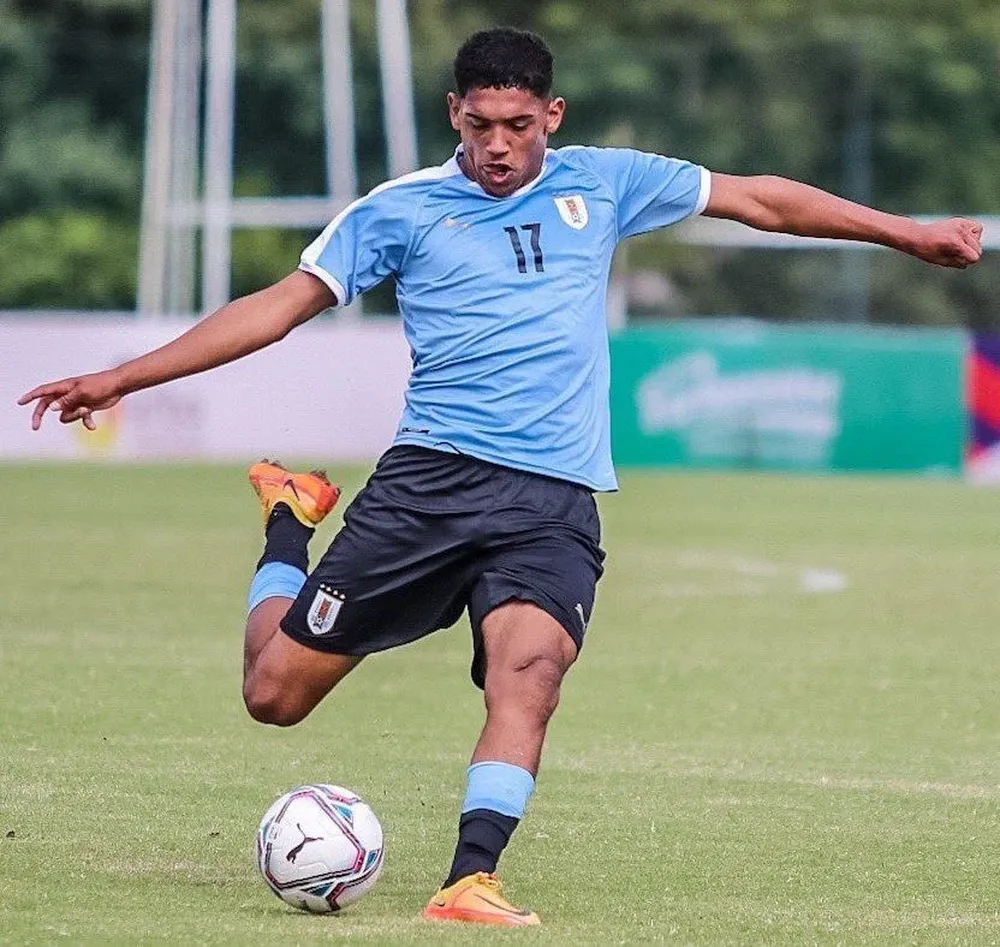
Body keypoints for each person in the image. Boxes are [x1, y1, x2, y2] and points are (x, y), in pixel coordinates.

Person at [19, 27, 982, 927]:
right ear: (454, 115)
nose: (498, 146)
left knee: (530, 673)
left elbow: (761, 197)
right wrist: (124, 375)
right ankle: (287, 518)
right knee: (274, 695)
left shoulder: (606, 184)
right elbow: (277, 307)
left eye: (518, 126)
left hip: (552, 499)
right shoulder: (399, 210)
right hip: (429, 486)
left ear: (551, 119)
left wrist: (907, 233)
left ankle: (468, 878)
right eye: (480, 125)